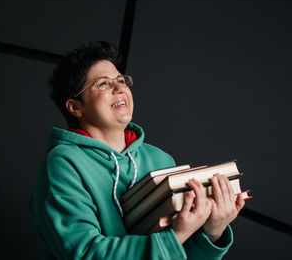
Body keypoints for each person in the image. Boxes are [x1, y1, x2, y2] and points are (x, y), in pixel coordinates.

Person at [30, 41, 245, 259]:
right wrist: (177, 234)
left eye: (121, 80)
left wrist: (213, 231)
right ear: (75, 107)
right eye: (103, 84)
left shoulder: (160, 159)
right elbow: (85, 253)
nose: (120, 88)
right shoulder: (63, 163)